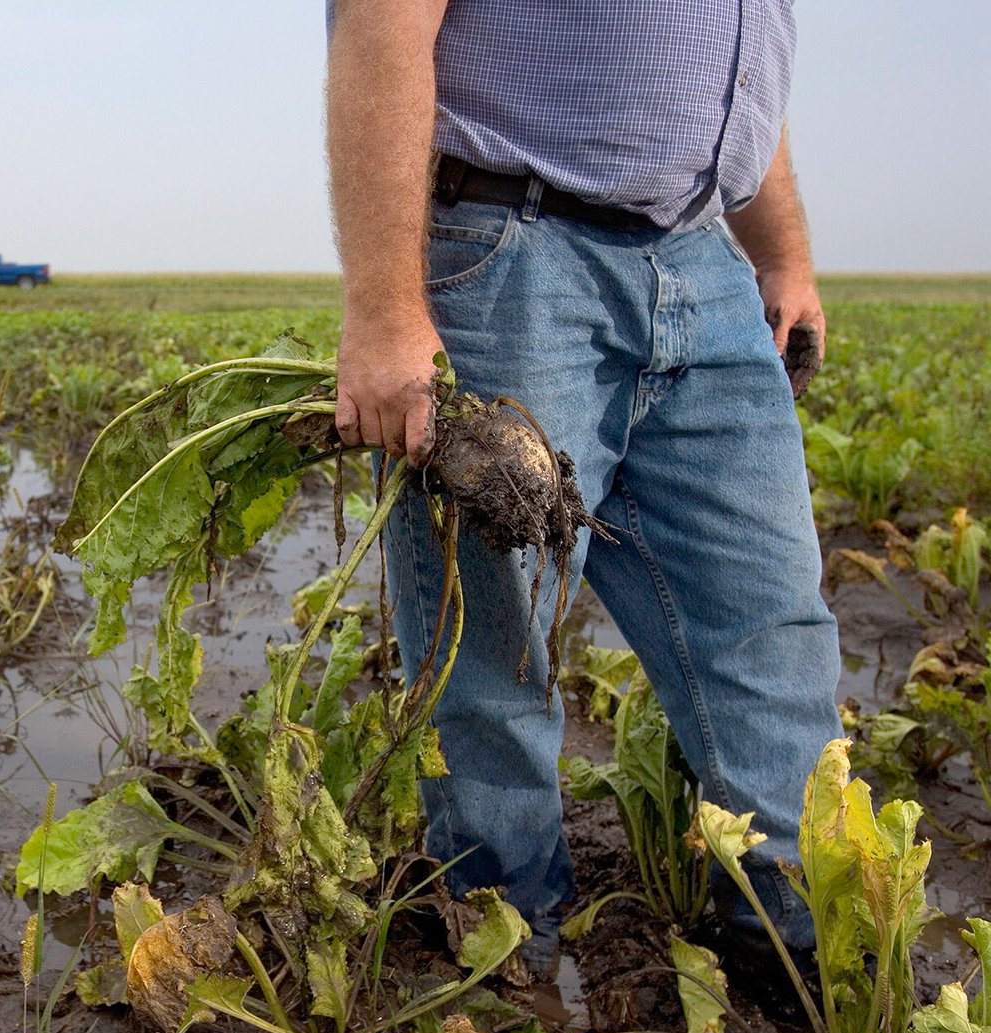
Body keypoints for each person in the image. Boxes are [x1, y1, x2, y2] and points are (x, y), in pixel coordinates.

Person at [325, 0, 843, 977]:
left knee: (773, 617)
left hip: (706, 263)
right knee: (493, 642)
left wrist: (782, 252)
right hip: (512, 248)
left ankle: (798, 944)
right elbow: (383, 17)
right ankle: (505, 945)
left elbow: (727, 75)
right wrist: (386, 306)